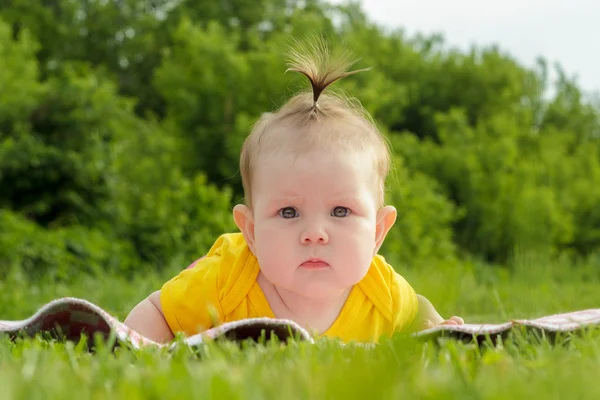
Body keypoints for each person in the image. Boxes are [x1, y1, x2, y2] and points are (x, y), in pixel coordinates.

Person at [124, 40, 464, 344]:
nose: (314, 234)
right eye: (289, 212)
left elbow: (415, 311)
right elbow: (158, 309)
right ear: (252, 232)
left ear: (377, 231)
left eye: (340, 211)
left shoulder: (383, 293)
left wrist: (437, 328)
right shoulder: (224, 282)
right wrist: (140, 349)